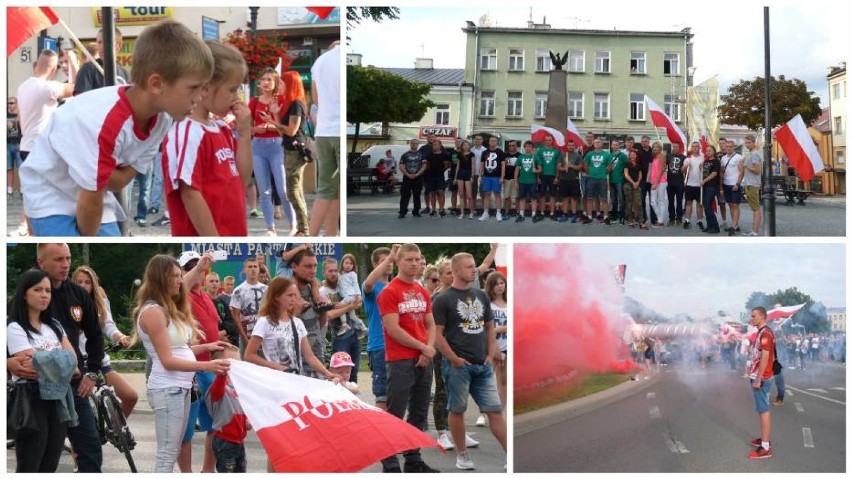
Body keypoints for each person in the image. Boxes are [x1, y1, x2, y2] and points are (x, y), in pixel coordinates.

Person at [19, 21, 212, 236]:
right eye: (194, 87)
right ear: (156, 84)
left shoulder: (162, 118)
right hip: (49, 193)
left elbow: (121, 181)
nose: (201, 96)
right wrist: (101, 173)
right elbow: (93, 198)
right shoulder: (103, 123)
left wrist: (97, 170)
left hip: (95, 193)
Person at [134, 254, 230, 472]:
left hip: (181, 387)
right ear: (162, 279)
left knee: (174, 448)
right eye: (175, 276)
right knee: (167, 454)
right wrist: (207, 365)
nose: (180, 280)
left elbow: (180, 350)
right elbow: (167, 360)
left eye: (181, 275)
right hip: (168, 389)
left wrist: (206, 347)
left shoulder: (166, 307)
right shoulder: (153, 312)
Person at [163, 41, 252, 236]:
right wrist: (215, 242)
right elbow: (189, 193)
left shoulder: (221, 128)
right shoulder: (186, 132)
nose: (236, 97)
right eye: (231, 89)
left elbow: (241, 181)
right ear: (206, 87)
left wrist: (245, 135)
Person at [433, 253, 507, 470]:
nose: (474, 270)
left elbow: (489, 326)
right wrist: (453, 358)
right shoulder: (443, 299)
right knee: (457, 410)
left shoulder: (481, 295)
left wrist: (491, 352)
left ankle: (510, 455)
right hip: (458, 366)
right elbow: (437, 334)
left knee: (494, 410)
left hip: (482, 364)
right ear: (455, 270)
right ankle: (462, 454)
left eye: (474, 266)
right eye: (468, 267)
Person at [7, 268, 79, 473]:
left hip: (59, 399)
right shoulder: (14, 327)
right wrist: (60, 361)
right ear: (24, 293)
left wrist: (45, 360)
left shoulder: (54, 325)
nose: (44, 295)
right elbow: (30, 368)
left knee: (50, 464)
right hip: (31, 398)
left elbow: (73, 362)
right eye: (38, 290)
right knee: (30, 464)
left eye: (47, 290)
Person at [377, 243, 440, 473]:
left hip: (424, 358)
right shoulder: (390, 292)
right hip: (401, 359)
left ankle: (413, 458)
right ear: (398, 262)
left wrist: (428, 348)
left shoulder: (422, 291)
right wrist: (423, 347)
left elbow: (430, 324)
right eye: (409, 259)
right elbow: (393, 329)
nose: (415, 263)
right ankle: (390, 463)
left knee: (419, 413)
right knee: (395, 412)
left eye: (418, 259)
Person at [72, 266, 138, 418]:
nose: (82, 285)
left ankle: (116, 429)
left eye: (87, 282)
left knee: (131, 396)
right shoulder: (68, 304)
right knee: (82, 409)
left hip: (98, 361)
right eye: (79, 282)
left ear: (93, 285)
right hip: (78, 363)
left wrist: (120, 337)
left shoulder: (99, 302)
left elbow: (108, 325)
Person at [249, 68, 294, 236]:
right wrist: (255, 129)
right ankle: (270, 227)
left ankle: (293, 225)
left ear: (275, 83)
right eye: (263, 79)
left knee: (283, 189)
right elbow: (247, 126)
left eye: (269, 79)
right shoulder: (254, 101)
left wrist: (271, 125)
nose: (266, 82)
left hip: (277, 145)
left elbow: (287, 129)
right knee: (264, 190)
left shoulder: (281, 101)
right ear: (259, 83)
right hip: (258, 145)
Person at [268, 71, 311, 235]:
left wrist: (272, 121)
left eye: (281, 83)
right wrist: (276, 114)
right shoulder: (290, 104)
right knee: (296, 191)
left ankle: (304, 229)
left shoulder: (296, 104)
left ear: (290, 84)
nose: (278, 86)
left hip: (295, 151)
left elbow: (291, 131)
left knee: (292, 192)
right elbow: (282, 132)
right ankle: (304, 226)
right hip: (289, 148)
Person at [309, 41, 341, 236]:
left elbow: (316, 99)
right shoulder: (340, 60)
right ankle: (330, 234)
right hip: (339, 129)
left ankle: (318, 236)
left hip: (324, 130)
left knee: (328, 190)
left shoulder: (319, 62)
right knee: (336, 189)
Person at [318, 257, 364, 383]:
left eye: (335, 271)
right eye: (330, 271)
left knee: (353, 374)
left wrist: (354, 303)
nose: (334, 274)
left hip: (355, 332)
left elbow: (358, 301)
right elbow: (329, 315)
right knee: (339, 373)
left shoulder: (343, 285)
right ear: (324, 273)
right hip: (340, 336)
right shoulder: (322, 292)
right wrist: (349, 306)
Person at [205, 347, 249, 473]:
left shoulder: (236, 387)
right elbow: (219, 385)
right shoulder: (218, 386)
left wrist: (246, 420)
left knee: (241, 470)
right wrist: (222, 372)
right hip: (225, 442)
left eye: (237, 362)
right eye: (231, 362)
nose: (235, 366)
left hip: (239, 441)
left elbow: (240, 407)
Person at [363, 246, 395, 410]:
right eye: (384, 261)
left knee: (398, 394)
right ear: (375, 265)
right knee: (382, 394)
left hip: (398, 346)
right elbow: (368, 283)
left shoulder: (397, 286)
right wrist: (391, 256)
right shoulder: (372, 287)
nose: (389, 263)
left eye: (391, 260)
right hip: (379, 346)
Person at [747, 307, 775, 459]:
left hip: (762, 378)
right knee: (761, 409)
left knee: (763, 410)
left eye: (754, 316)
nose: (751, 318)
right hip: (758, 376)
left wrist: (758, 378)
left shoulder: (766, 333)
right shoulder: (760, 331)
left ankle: (765, 447)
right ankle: (764, 439)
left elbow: (765, 356)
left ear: (763, 316)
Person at [73, 27, 130, 95]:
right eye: (99, 42)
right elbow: (80, 101)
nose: (101, 47)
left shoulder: (125, 74)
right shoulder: (88, 70)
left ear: (118, 45)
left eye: (106, 42)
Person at [230, 257, 268, 354]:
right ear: (244, 270)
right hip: (247, 335)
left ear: (258, 269)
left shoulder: (267, 289)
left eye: (255, 266)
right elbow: (236, 317)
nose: (253, 269)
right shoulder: (238, 291)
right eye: (250, 267)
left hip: (266, 336)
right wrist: (245, 338)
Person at [485, 272, 508, 411]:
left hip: (507, 347)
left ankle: (500, 410)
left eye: (502, 283)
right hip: (491, 347)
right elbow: (485, 327)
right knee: (486, 381)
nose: (500, 286)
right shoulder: (488, 304)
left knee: (503, 381)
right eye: (496, 284)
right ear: (490, 287)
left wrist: (498, 329)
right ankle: (483, 413)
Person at [582, 138, 613, 223]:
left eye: (599, 142)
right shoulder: (589, 154)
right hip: (591, 178)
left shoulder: (606, 154)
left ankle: (606, 217)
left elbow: (610, 166)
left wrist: (605, 172)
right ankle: (589, 216)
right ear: (593, 144)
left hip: (602, 179)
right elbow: (584, 165)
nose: (597, 143)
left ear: (602, 144)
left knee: (604, 198)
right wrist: (590, 172)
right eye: (595, 142)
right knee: (589, 198)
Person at [338, 253, 368, 337]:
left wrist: (359, 296)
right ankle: (363, 328)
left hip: (351, 296)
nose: (348, 265)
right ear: (342, 264)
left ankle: (344, 324)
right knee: (352, 316)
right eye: (346, 263)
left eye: (351, 264)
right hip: (347, 296)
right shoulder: (340, 275)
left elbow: (356, 284)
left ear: (354, 265)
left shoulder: (352, 274)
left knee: (340, 307)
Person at [720, 139, 744, 235]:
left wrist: (738, 183)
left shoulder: (739, 157)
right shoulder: (723, 158)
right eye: (727, 146)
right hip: (726, 184)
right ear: (725, 147)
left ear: (734, 147)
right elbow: (722, 173)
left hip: (735, 184)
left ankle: (733, 226)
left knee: (735, 205)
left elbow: (742, 172)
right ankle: (736, 225)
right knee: (730, 205)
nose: (729, 148)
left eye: (730, 146)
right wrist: (721, 186)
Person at [398, 138, 427, 218]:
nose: (414, 144)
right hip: (407, 177)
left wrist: (417, 174)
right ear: (410, 144)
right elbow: (401, 166)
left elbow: (424, 166)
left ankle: (416, 211)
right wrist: (407, 174)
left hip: (418, 177)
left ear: (418, 144)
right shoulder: (405, 155)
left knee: (417, 195)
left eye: (416, 143)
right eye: (412, 143)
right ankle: (402, 212)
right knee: (405, 195)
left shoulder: (422, 155)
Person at [534, 135, 561, 222]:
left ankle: (552, 213)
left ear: (552, 141)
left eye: (549, 140)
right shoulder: (540, 151)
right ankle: (542, 213)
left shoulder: (556, 152)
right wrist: (538, 177)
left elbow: (558, 165)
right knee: (542, 195)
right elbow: (538, 165)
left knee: (553, 195)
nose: (548, 141)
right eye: (546, 140)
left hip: (553, 175)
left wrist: (557, 177)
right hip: (542, 175)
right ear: (544, 141)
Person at [479, 136, 506, 221]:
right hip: (486, 176)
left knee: (497, 194)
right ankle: (485, 213)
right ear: (489, 142)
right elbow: (481, 165)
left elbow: (503, 165)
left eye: (495, 141)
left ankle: (498, 212)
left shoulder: (500, 152)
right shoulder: (484, 152)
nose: (493, 142)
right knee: (486, 194)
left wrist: (502, 177)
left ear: (496, 142)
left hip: (496, 177)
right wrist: (480, 176)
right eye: (491, 141)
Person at [514, 140, 540, 222]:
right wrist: (515, 181)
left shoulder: (535, 157)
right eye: (526, 146)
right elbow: (517, 170)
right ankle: (521, 214)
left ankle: (534, 214)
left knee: (533, 198)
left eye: (530, 146)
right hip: (522, 181)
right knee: (522, 198)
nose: (528, 148)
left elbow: (540, 169)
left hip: (532, 181)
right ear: (524, 148)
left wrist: (536, 171)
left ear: (532, 148)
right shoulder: (520, 157)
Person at [681, 141, 705, 230]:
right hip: (689, 184)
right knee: (688, 203)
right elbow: (682, 171)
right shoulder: (688, 159)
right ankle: (687, 220)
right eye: (693, 146)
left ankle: (699, 221)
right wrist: (685, 167)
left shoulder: (703, 158)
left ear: (699, 148)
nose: (695, 148)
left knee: (700, 204)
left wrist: (702, 166)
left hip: (700, 185)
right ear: (691, 148)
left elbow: (707, 170)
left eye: (697, 146)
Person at [742, 135, 763, 236]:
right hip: (750, 183)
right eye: (745, 143)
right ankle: (754, 230)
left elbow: (757, 170)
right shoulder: (753, 153)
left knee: (756, 209)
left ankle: (755, 232)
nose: (746, 145)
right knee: (755, 208)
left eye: (748, 143)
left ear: (754, 142)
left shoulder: (754, 154)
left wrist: (746, 165)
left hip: (752, 184)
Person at [424, 139, 450, 217]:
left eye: (436, 144)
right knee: (432, 193)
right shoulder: (429, 155)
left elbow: (446, 165)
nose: (434, 146)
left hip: (440, 177)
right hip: (431, 176)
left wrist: (440, 171)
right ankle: (433, 209)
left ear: (440, 145)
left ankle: (441, 209)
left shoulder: (444, 155)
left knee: (441, 192)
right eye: (433, 145)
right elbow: (427, 165)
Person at [701, 145, 722, 234]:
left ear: (713, 151)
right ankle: (709, 226)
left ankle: (715, 227)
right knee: (706, 206)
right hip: (705, 186)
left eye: (710, 150)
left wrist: (705, 180)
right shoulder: (705, 161)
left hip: (712, 186)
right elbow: (704, 172)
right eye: (707, 151)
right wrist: (700, 166)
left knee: (708, 206)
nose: (708, 152)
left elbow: (714, 173)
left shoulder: (716, 161)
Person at [636, 135, 656, 226]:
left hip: (652, 180)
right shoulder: (638, 152)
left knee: (653, 200)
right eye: (643, 141)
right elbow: (637, 166)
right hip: (643, 180)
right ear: (641, 142)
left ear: (649, 142)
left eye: (646, 141)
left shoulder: (653, 152)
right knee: (642, 200)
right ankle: (643, 218)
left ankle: (654, 219)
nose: (644, 143)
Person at [607, 139, 627, 225]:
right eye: (614, 145)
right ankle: (614, 216)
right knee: (614, 200)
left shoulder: (623, 156)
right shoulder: (609, 156)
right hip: (612, 181)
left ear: (619, 146)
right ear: (611, 146)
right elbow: (607, 169)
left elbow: (627, 166)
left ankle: (622, 217)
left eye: (617, 145)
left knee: (621, 200)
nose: (615, 146)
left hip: (620, 181)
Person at [666, 142, 686, 226]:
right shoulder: (668, 156)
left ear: (679, 148)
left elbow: (686, 170)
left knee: (679, 201)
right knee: (670, 201)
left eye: (676, 147)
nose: (675, 148)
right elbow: (663, 165)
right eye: (673, 146)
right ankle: (671, 219)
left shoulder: (684, 157)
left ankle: (679, 219)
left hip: (679, 182)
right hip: (670, 182)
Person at [454, 140, 475, 219]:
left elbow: (473, 166)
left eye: (467, 145)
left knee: (469, 195)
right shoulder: (459, 154)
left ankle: (471, 212)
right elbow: (458, 167)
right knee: (461, 195)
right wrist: (455, 178)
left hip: (468, 174)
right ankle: (462, 213)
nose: (466, 146)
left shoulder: (472, 154)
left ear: (469, 146)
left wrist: (472, 176)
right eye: (464, 145)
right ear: (462, 146)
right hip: (460, 174)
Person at [649, 147, 668, 227]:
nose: (655, 149)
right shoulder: (655, 157)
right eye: (654, 147)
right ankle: (660, 219)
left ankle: (660, 221)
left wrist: (656, 183)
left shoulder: (661, 156)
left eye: (657, 147)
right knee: (653, 202)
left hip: (661, 182)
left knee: (661, 201)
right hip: (653, 182)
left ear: (660, 149)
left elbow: (661, 171)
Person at [624, 149, 644, 228]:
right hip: (628, 185)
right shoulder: (627, 164)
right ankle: (630, 220)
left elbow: (640, 175)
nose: (632, 156)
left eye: (634, 154)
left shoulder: (639, 165)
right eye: (631, 155)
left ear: (636, 156)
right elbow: (626, 174)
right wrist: (633, 182)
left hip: (637, 185)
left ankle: (641, 220)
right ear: (629, 156)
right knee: (629, 203)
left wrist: (638, 182)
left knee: (638, 203)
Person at [7, 96, 22, 198]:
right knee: (8, 168)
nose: (9, 105)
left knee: (21, 169)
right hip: (7, 144)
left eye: (12, 103)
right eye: (8, 103)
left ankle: (22, 191)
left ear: (17, 104)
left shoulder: (21, 115)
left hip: (19, 144)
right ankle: (9, 191)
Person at [502, 140, 520, 218]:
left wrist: (517, 180)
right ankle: (506, 212)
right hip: (506, 179)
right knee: (506, 197)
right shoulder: (504, 155)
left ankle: (518, 212)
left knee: (516, 197)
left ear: (516, 146)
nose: (511, 147)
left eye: (513, 145)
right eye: (510, 145)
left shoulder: (520, 155)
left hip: (516, 179)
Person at [470, 134, 487, 213]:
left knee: (483, 193)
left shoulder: (485, 150)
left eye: (479, 139)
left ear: (482, 141)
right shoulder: (471, 150)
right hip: (473, 174)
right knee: (473, 193)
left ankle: (484, 210)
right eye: (476, 139)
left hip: (482, 175)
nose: (477, 140)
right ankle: (474, 209)